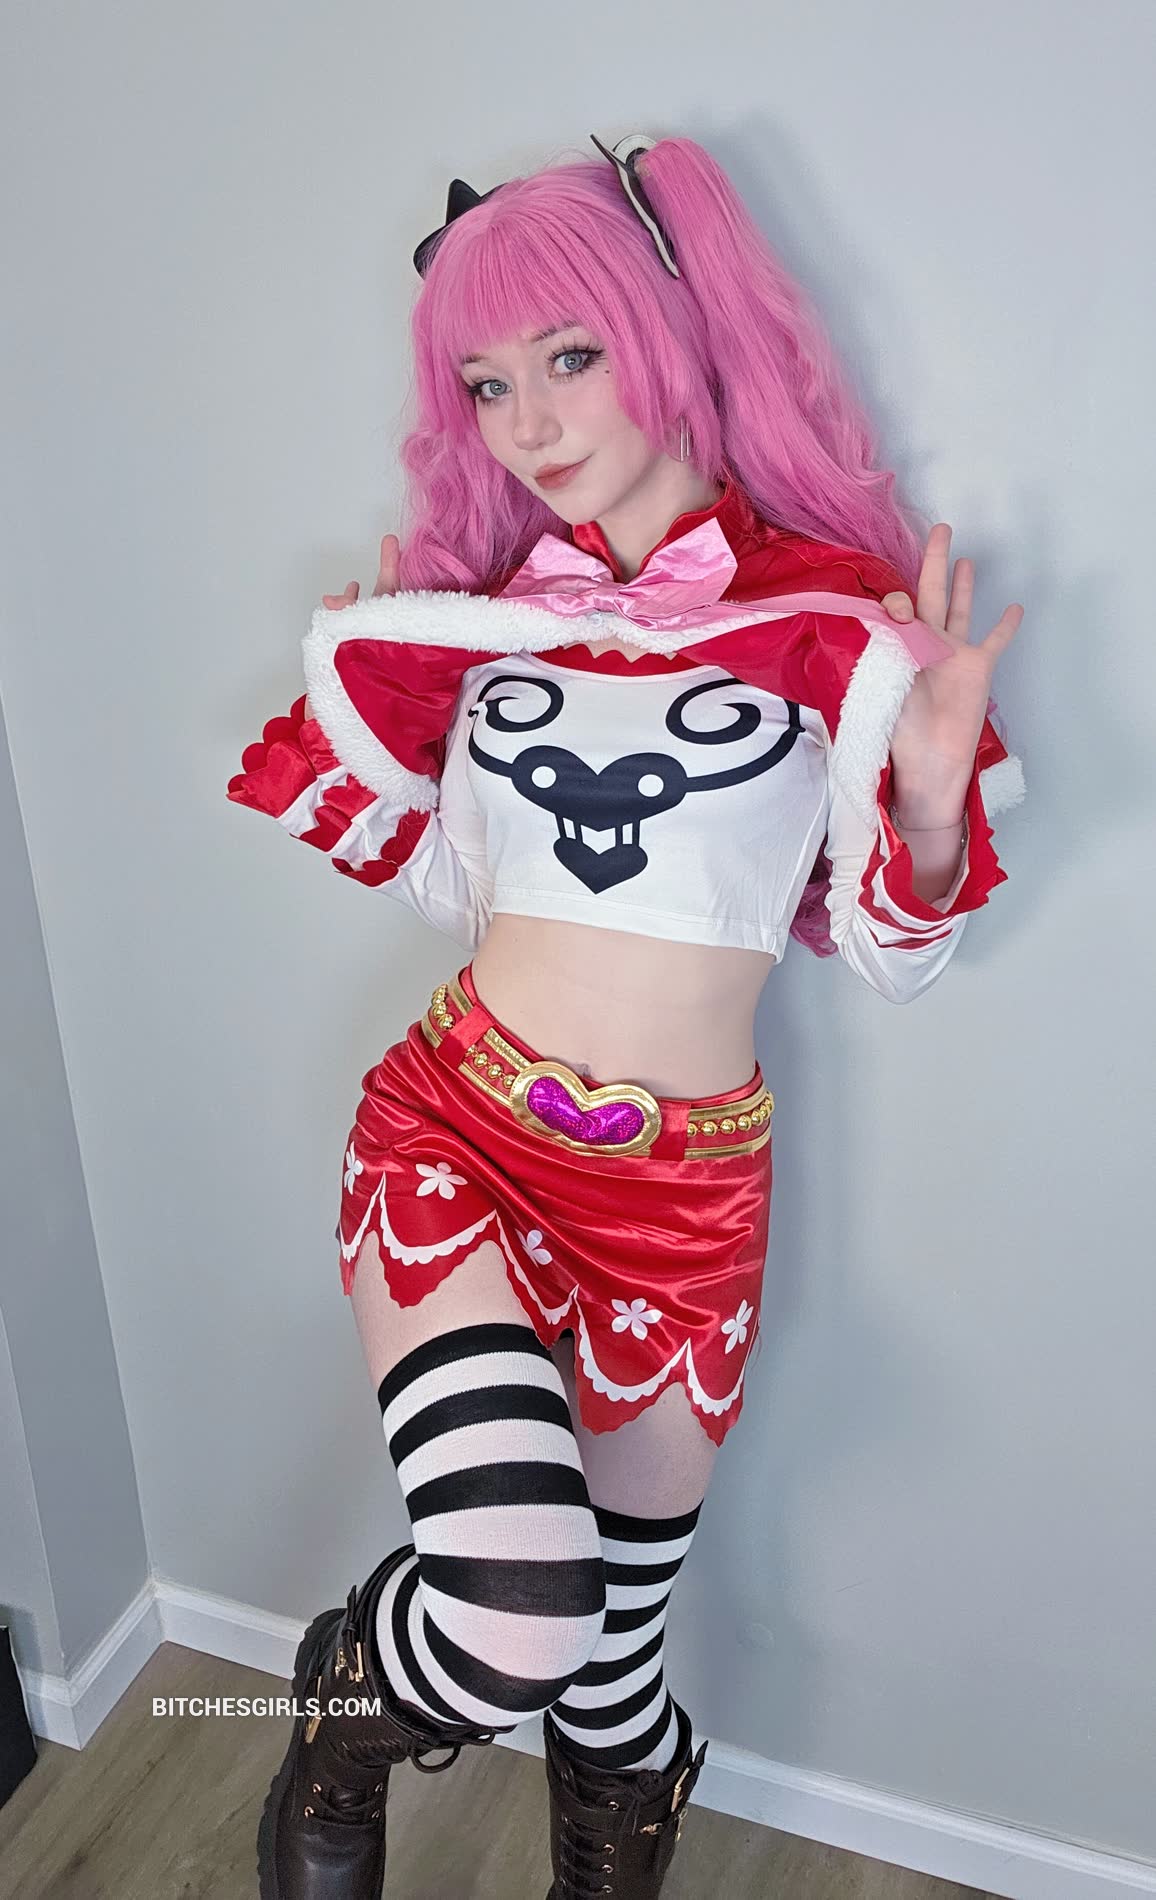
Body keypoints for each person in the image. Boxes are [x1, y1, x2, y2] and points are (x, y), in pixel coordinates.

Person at [231, 133, 1025, 1900]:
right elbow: (465, 888)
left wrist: (927, 796)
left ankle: (621, 1813)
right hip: (459, 1135)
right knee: (520, 1610)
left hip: (682, 1198)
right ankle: (345, 1712)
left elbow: (893, 953)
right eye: (487, 384)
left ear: (668, 328)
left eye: (568, 357)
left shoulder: (835, 628)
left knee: (612, 1655)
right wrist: (400, 693)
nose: (527, 421)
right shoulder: (489, 618)